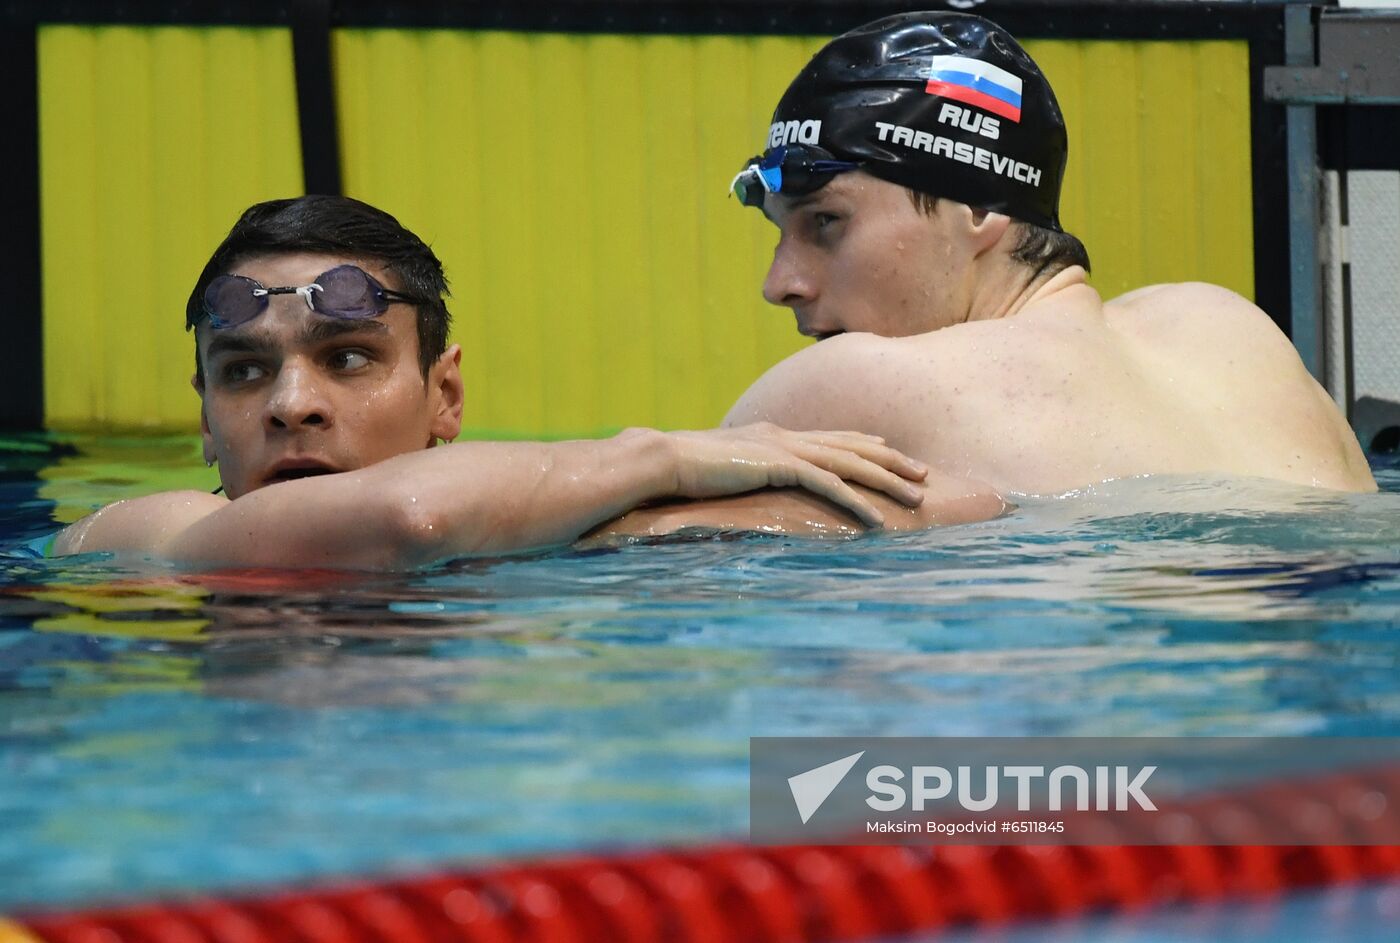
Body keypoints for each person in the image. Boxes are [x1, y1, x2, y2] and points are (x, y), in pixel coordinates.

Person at [594, 10, 1374, 542]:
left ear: (977, 210)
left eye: (825, 222)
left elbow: (616, 557)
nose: (781, 283)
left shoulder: (856, 381)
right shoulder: (1226, 326)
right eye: (780, 234)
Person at [53, 196, 953, 568]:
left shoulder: (545, 517)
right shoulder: (137, 535)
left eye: (348, 357)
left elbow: (962, 505)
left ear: (445, 396)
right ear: (205, 421)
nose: (293, 404)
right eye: (244, 372)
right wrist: (665, 455)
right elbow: (415, 517)